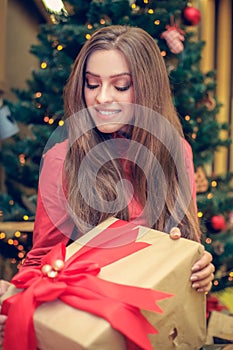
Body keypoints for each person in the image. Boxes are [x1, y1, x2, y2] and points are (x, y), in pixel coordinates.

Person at [0, 25, 214, 341]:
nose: (102, 98)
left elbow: (185, 241)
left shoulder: (177, 151)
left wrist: (200, 268)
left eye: (121, 85)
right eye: (92, 83)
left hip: (158, 322)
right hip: (91, 326)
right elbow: (41, 256)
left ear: (147, 89)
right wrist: (14, 298)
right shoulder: (63, 157)